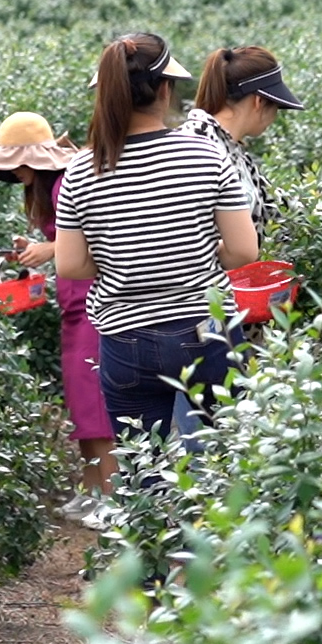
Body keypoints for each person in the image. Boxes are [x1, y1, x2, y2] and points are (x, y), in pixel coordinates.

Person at [52, 32, 259, 460]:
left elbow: (69, 265)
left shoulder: (81, 170)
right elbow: (244, 251)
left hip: (125, 340)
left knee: (147, 473)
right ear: (165, 89)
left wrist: (122, 261)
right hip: (206, 330)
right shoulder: (205, 154)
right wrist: (195, 252)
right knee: (228, 461)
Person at [0, 111, 118, 526]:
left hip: (94, 302)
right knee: (81, 400)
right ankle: (91, 490)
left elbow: (94, 232)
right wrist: (36, 246)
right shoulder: (47, 187)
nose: (15, 171)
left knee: (95, 402)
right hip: (75, 304)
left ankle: (110, 498)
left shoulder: (66, 183)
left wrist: (49, 249)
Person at [178, 46, 305, 250]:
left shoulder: (231, 149)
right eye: (276, 107)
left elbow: (282, 209)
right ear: (259, 101)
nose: (274, 117)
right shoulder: (204, 148)